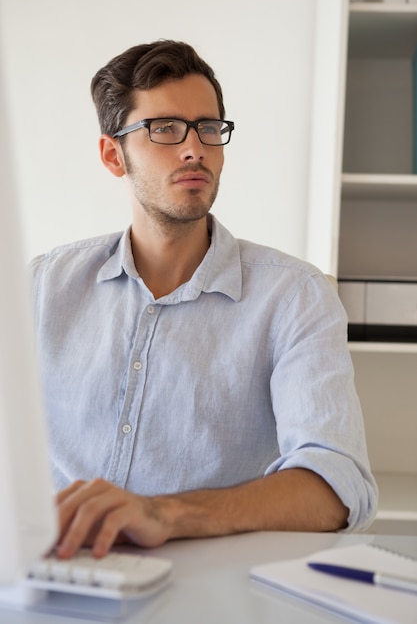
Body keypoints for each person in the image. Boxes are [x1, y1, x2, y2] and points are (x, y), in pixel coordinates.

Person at [30, 40, 378, 559]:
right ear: (112, 154)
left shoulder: (294, 296)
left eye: (209, 129)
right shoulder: (39, 287)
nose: (195, 149)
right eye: (164, 129)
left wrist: (166, 514)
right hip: (53, 574)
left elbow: (337, 485)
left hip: (215, 589)